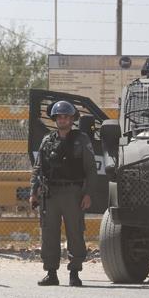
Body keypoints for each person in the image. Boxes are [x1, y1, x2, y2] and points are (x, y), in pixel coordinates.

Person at [30, 100, 98, 287]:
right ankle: (51, 273)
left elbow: (91, 169)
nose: (62, 120)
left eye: (66, 117)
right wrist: (33, 192)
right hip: (50, 193)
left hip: (72, 192)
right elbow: (38, 168)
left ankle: (74, 273)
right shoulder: (47, 140)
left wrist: (88, 194)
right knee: (49, 233)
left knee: (75, 232)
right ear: (55, 119)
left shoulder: (81, 140)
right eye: (59, 117)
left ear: (72, 119)